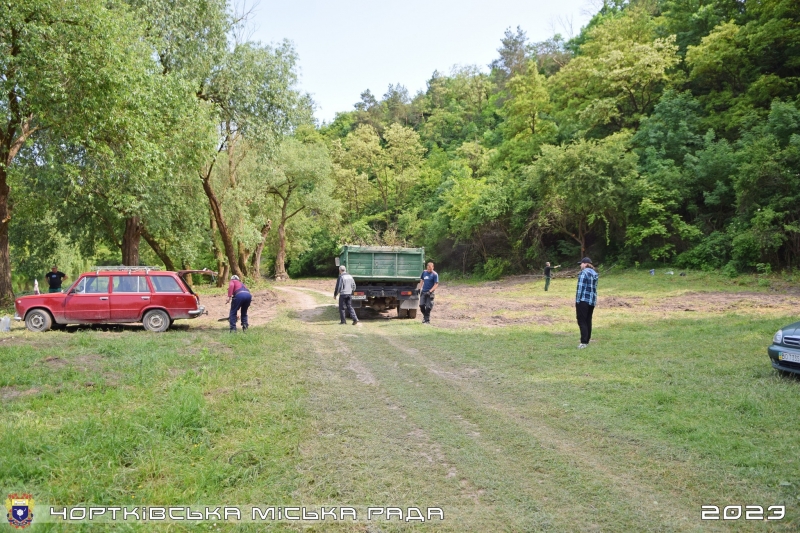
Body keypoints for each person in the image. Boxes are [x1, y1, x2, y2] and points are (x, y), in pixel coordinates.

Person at [575, 257, 598, 349]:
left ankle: (583, 342)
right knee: (588, 320)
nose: (580, 265)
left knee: (581, 320)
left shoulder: (583, 273)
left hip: (583, 300)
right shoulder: (595, 273)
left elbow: (580, 288)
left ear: (585, 264)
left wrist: (577, 300)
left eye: (581, 263)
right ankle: (587, 340)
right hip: (591, 300)